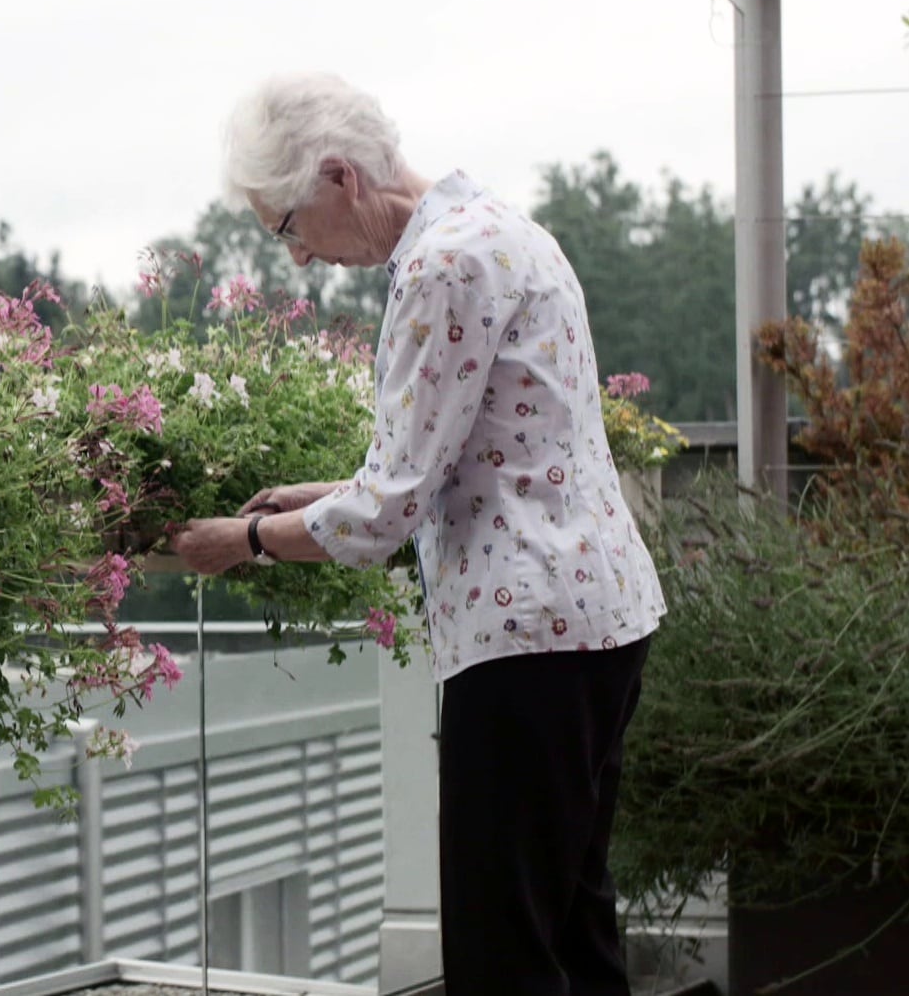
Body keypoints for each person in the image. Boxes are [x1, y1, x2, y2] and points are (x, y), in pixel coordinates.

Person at [171, 73, 665, 996]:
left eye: (285, 227)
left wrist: (242, 541)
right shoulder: (499, 228)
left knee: (501, 954)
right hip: (596, 617)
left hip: (524, 637)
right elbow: (463, 458)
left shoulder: (441, 266)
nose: (298, 260)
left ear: (336, 177)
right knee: (570, 927)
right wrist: (304, 497)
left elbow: (387, 510)